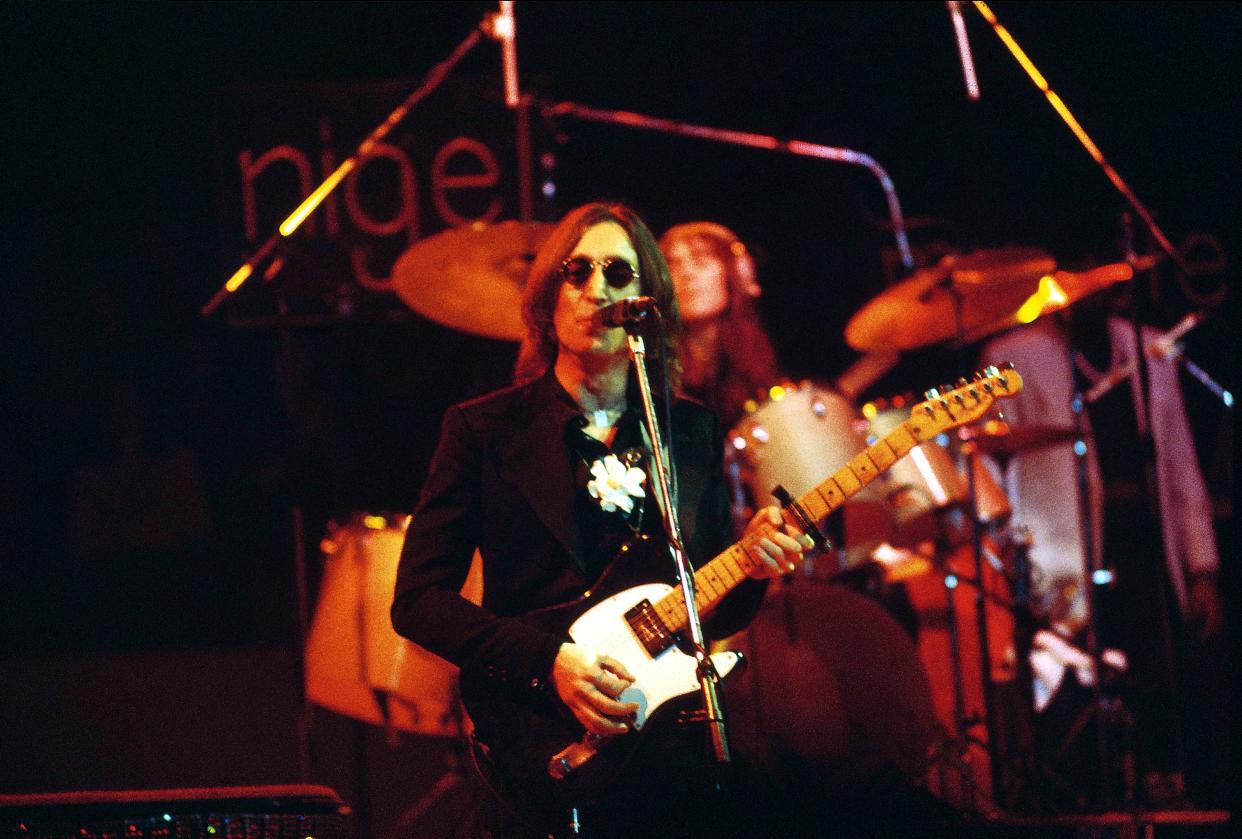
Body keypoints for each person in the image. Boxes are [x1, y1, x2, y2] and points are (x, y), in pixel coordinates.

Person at [391, 202, 808, 838]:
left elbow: (712, 612)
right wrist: (549, 660)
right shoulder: (483, 430)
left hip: (666, 743)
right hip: (537, 736)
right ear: (546, 298)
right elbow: (418, 601)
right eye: (577, 271)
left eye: (618, 273)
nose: (597, 290)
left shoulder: (689, 430)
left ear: (648, 302)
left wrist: (753, 563)